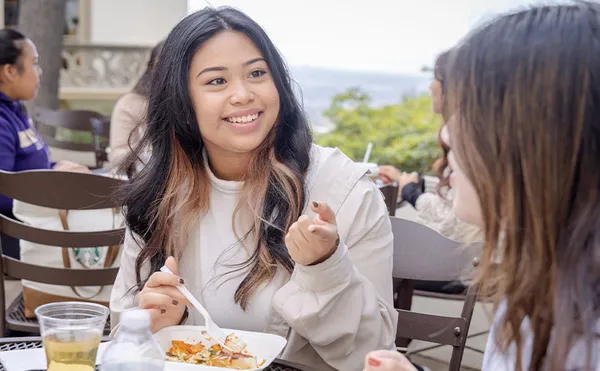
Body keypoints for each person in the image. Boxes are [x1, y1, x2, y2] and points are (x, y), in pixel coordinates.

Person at [110, 7, 397, 371]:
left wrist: (326, 267)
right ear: (181, 101)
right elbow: (122, 336)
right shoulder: (160, 192)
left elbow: (374, 355)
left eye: (257, 73)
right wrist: (154, 324)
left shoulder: (344, 191)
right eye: (217, 81)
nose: (243, 95)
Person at [364, 2, 600, 370]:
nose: (446, 132)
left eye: (474, 111)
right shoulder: (548, 290)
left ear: (544, 138)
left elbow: (455, 228)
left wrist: (412, 191)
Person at [0, 28, 89, 259]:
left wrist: (56, 168)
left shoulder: (16, 110)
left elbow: (27, 168)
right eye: (34, 63)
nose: (39, 72)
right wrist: (54, 188)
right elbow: (3, 192)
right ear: (10, 71)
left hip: (38, 221)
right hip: (18, 234)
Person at [379, 50, 480, 245]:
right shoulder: (476, 134)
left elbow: (454, 222)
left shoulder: (470, 139)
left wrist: (412, 193)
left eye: (436, 78)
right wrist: (406, 180)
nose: (431, 85)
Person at [108, 40, 163, 167]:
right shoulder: (131, 104)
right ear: (154, 66)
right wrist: (147, 153)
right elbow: (117, 156)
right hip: (140, 179)